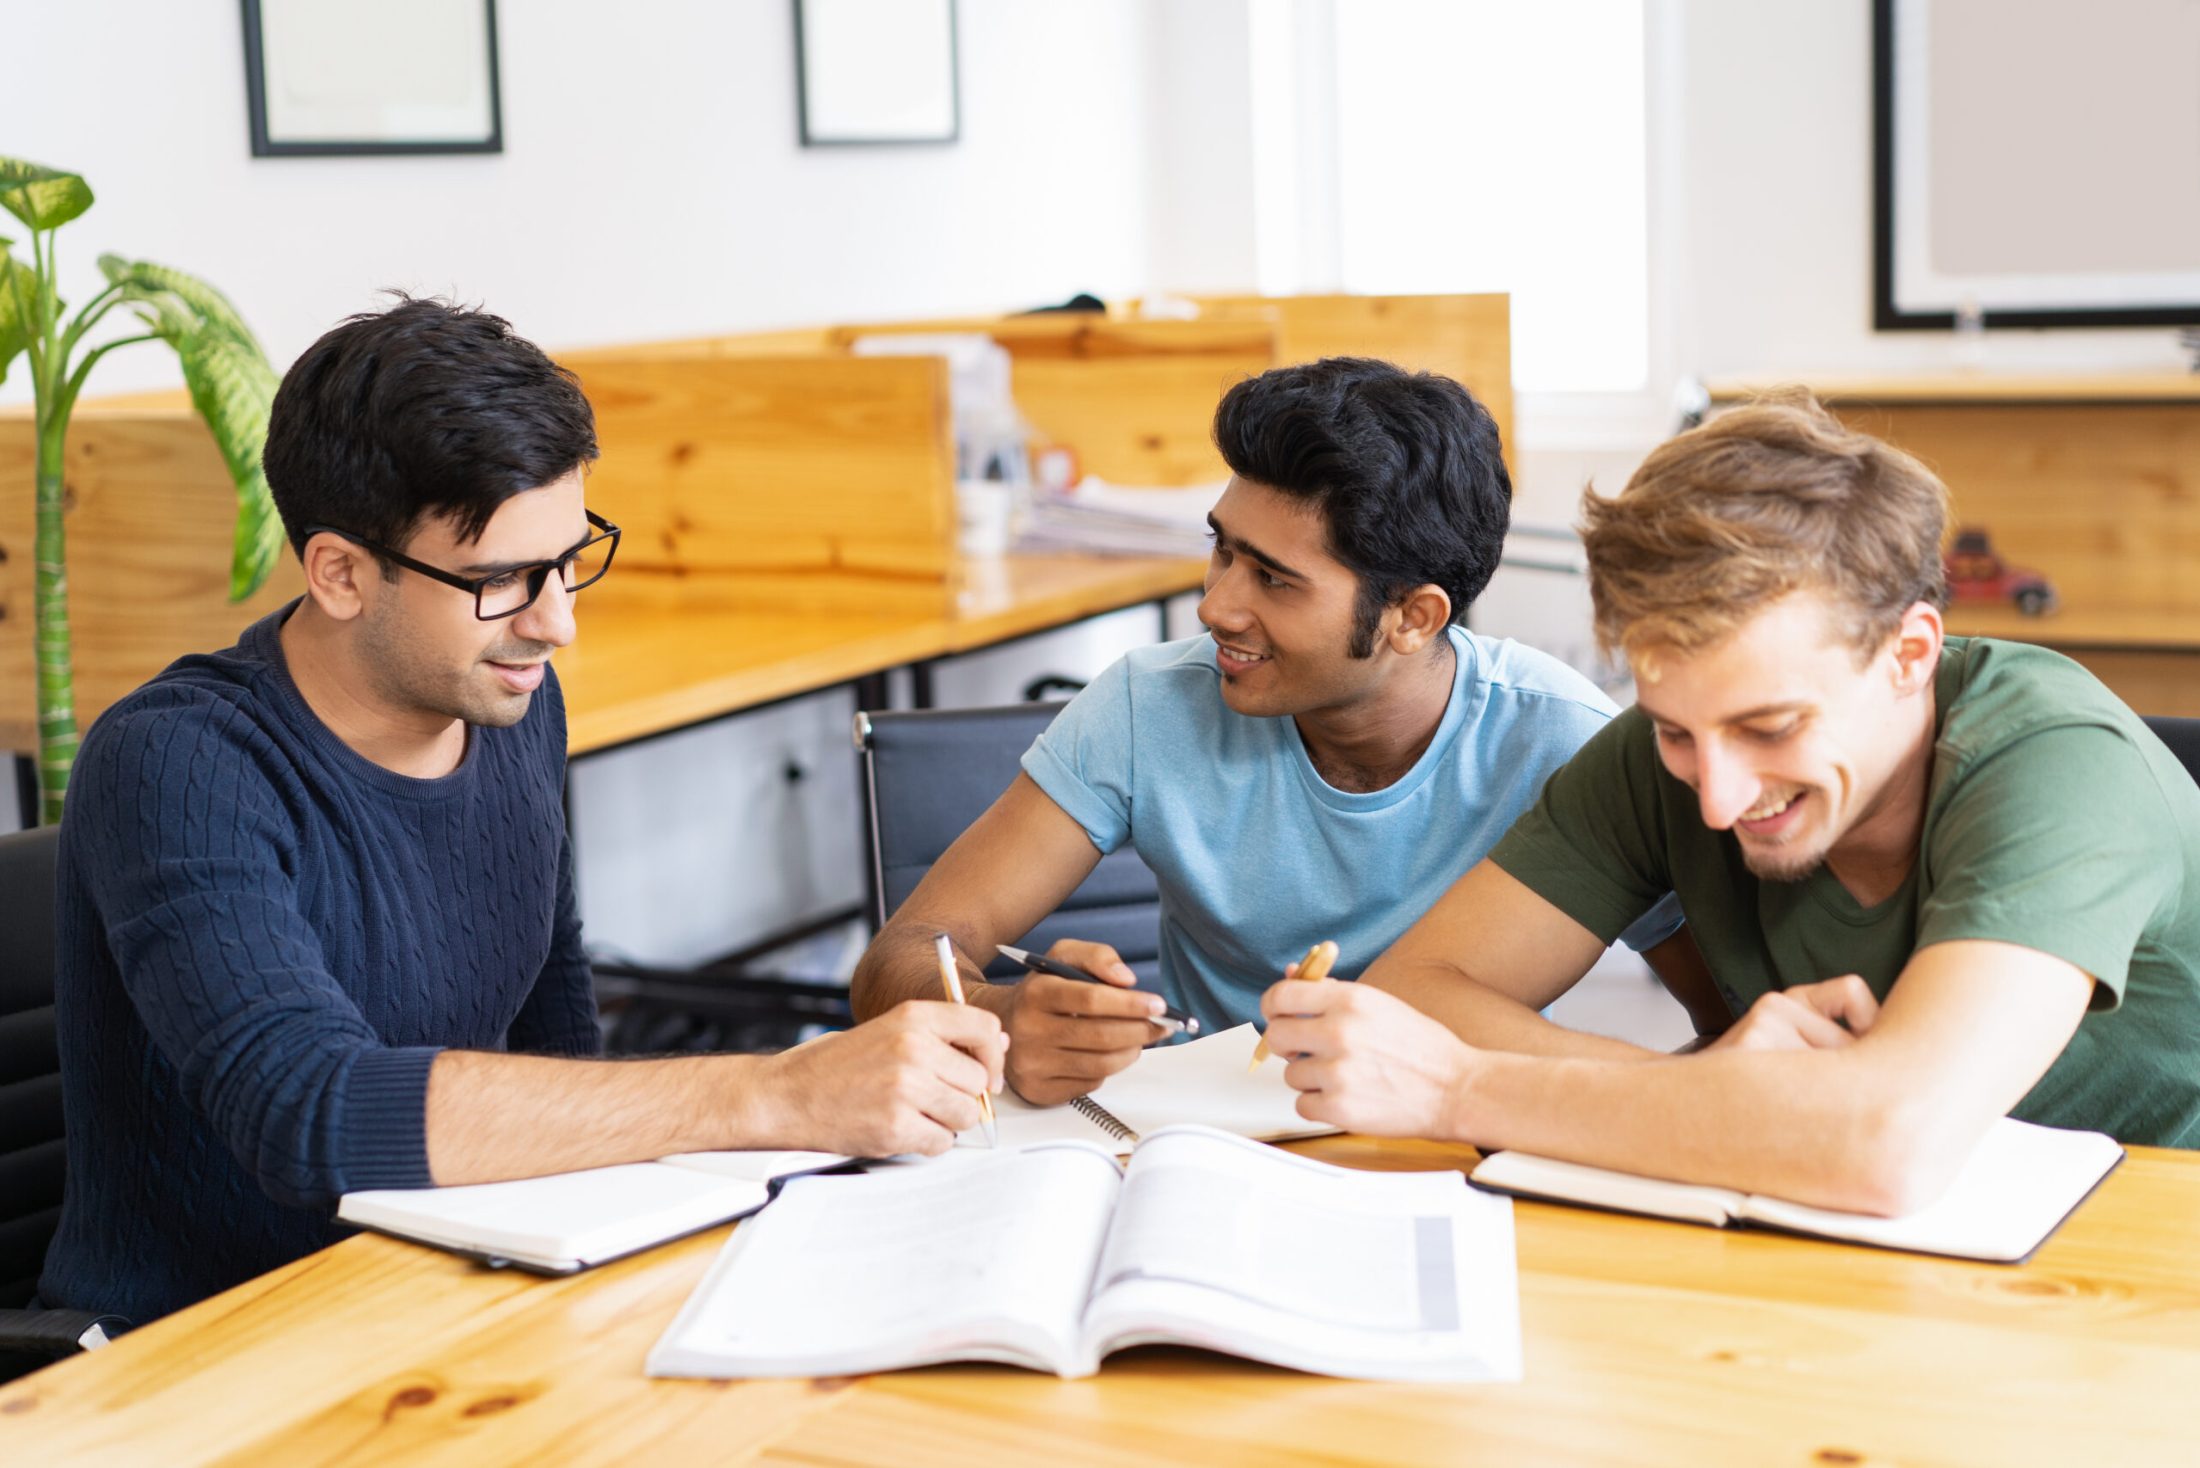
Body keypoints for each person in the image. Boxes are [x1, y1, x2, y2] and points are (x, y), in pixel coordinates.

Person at [39, 299, 1004, 1326]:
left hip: (457, 1287)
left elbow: (557, 1032)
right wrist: (772, 1093)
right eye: (502, 580)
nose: (558, 623)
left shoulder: (509, 704)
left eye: (568, 556)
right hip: (204, 1348)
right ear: (339, 573)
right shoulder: (179, 761)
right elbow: (308, 1111)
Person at [1260, 393, 2200, 1214]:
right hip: (1860, 1241)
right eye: (1675, 729)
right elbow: (1414, 993)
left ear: (1910, 655)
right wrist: (1717, 1097)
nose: (1716, 798)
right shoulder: (1670, 749)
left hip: (2145, 1248)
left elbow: (1886, 1144)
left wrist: (1459, 1092)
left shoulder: (2063, 765)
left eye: (1772, 727)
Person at [851, 357, 1683, 1105]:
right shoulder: (1148, 705)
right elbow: (897, 960)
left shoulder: (1568, 745)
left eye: (1275, 580)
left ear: (1413, 618)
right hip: (1198, 1138)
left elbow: (1730, 1030)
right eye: (1224, 552)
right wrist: (998, 1012)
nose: (1215, 606)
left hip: (1449, 1144)